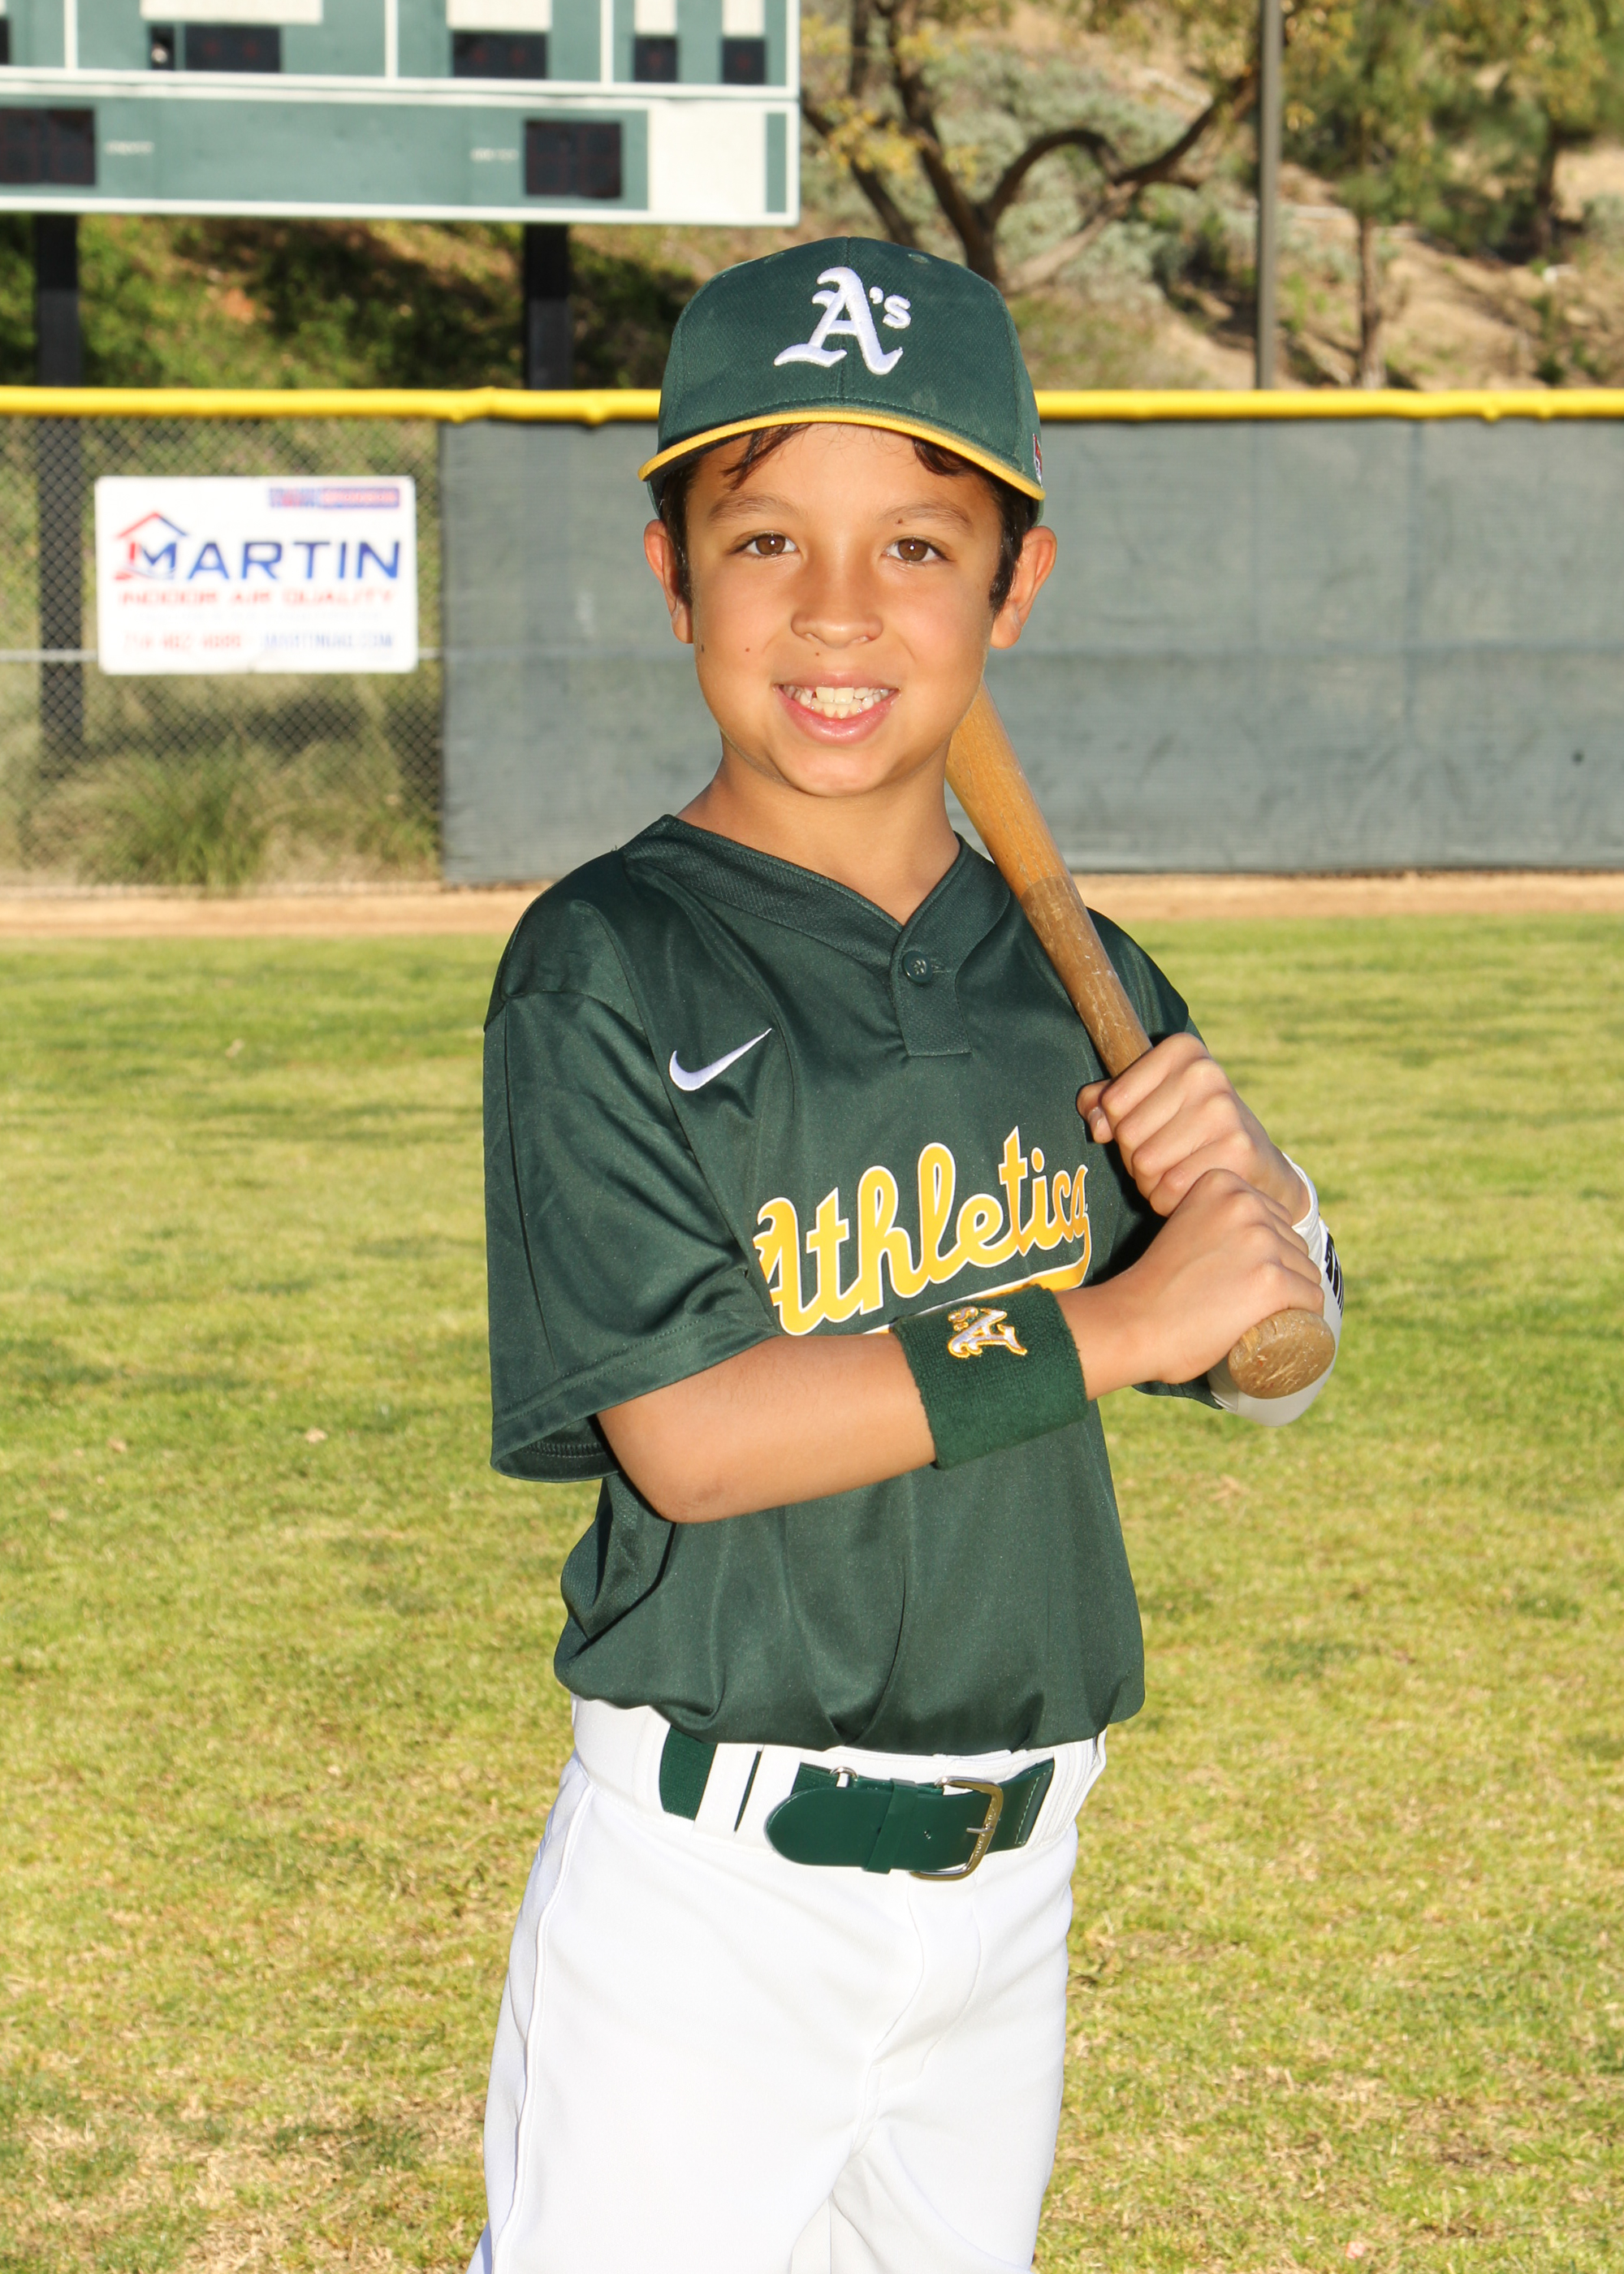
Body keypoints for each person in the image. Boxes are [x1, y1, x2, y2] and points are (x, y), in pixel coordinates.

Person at [468, 237, 1341, 2274]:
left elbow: (1268, 1358)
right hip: (710, 1893)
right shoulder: (606, 961)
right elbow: (691, 1434)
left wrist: (1268, 1200)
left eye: (919, 548)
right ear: (674, 572)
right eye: (766, 537)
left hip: (1012, 1887)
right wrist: (1113, 1322)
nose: (839, 610)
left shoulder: (1076, 976)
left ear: (1015, 586)